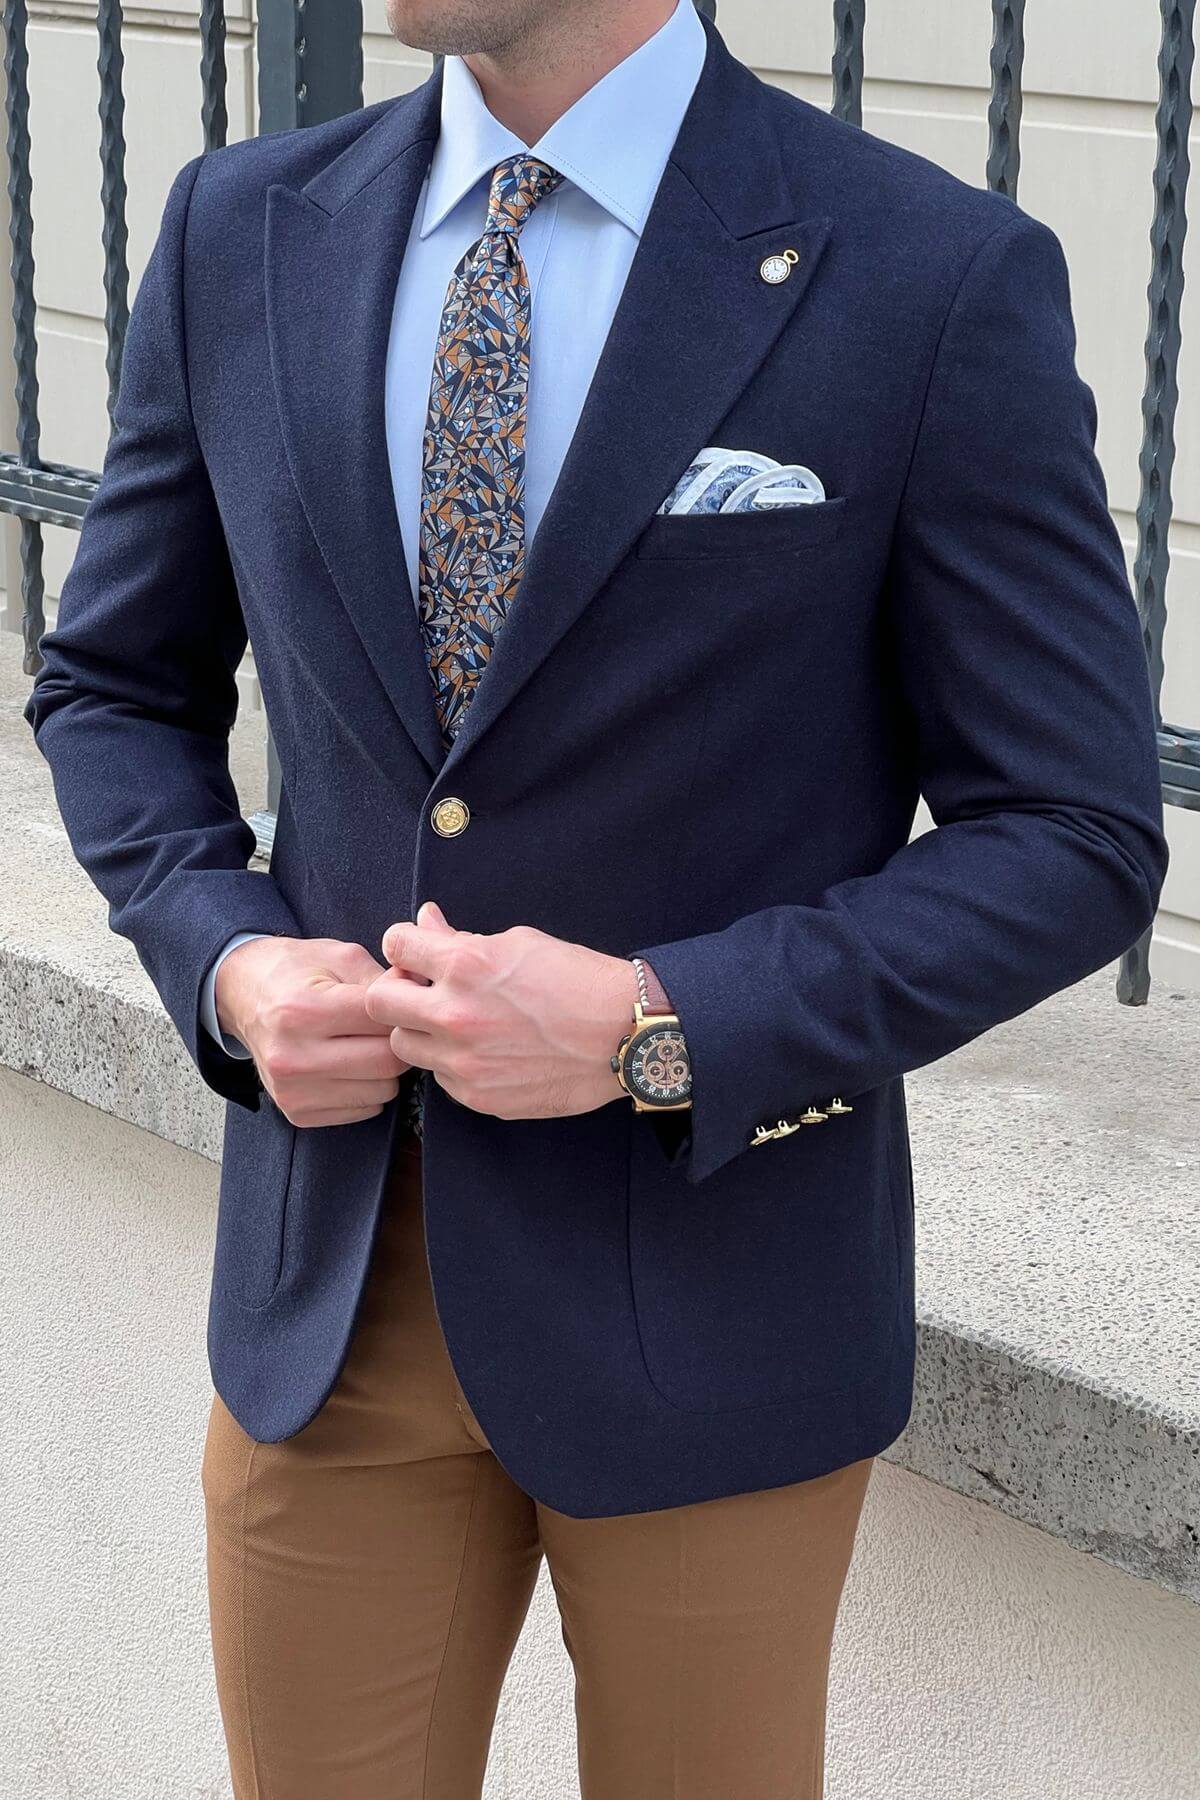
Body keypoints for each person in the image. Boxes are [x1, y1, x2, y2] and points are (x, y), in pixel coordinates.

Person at [25, 0, 1167, 1793]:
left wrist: (660, 1026)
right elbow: (112, 687)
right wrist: (224, 964)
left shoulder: (927, 274)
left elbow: (1075, 829)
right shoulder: (241, 228)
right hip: (337, 1287)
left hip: (714, 1289)